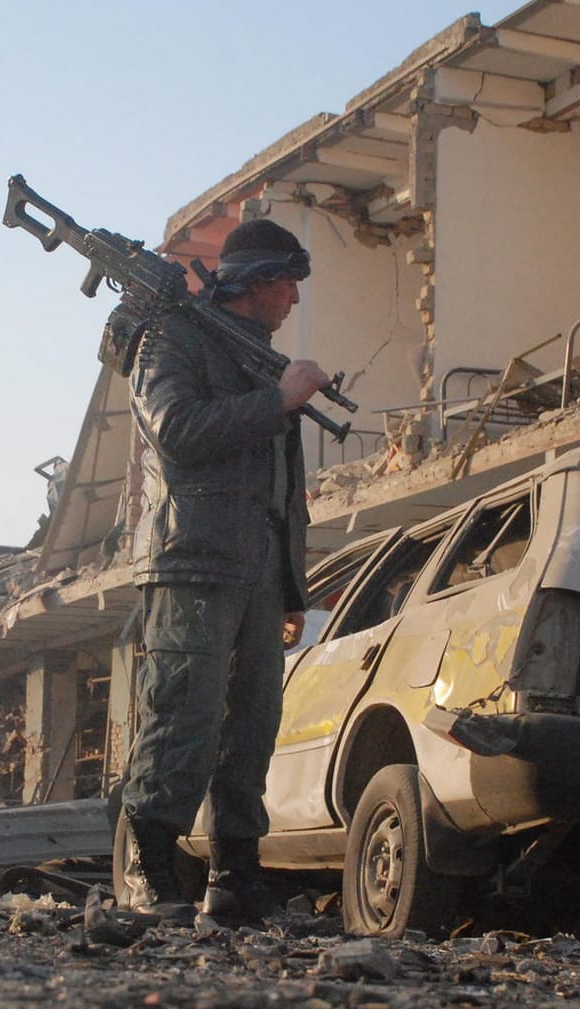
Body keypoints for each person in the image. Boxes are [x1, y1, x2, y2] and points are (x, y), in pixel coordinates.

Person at [118, 217, 331, 922]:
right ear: (260, 281)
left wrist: (289, 588)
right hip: (193, 562)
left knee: (252, 729)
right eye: (289, 284)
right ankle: (150, 876)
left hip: (257, 574)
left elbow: (279, 492)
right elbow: (176, 431)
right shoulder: (172, 340)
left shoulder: (256, 354)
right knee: (184, 717)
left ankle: (236, 879)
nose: (294, 300)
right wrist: (278, 401)